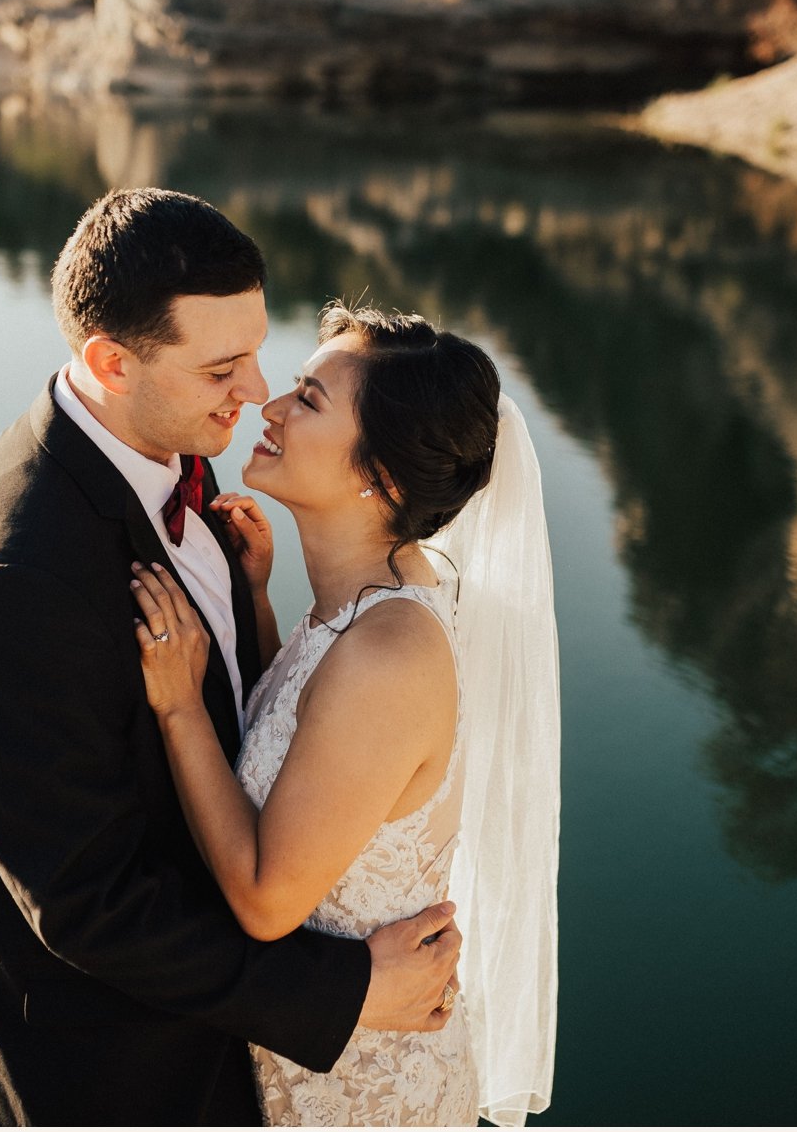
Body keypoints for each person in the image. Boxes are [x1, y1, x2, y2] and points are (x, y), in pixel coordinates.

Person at [0, 189, 463, 1126]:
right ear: (111, 362)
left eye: (255, 349)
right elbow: (89, 905)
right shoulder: (15, 586)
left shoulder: (166, 454)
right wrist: (348, 989)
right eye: (223, 368)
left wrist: (252, 603)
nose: (256, 393)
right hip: (115, 1077)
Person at [128, 302, 561, 1126]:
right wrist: (256, 598)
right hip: (318, 1049)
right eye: (295, 387)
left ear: (383, 478)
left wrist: (181, 705)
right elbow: (296, 743)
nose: (270, 407)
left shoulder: (389, 654)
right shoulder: (367, 602)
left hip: (357, 1087)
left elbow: (264, 897)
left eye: (309, 401)